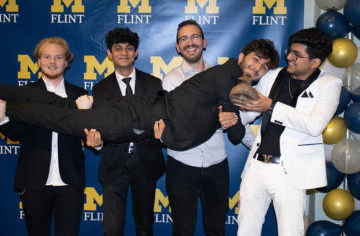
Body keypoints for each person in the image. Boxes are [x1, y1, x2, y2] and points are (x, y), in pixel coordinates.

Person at [0, 35, 279, 153]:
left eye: (264, 66)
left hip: (135, 111)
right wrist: (255, 108)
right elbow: (232, 133)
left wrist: (246, 110)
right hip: (135, 119)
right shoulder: (228, 77)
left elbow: (226, 123)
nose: (257, 67)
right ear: (242, 56)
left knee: (64, 108)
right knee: (60, 118)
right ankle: (8, 108)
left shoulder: (227, 76)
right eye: (255, 60)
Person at [156, 20, 278, 236]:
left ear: (204, 42)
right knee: (183, 230)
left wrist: (259, 147)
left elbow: (237, 122)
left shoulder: (226, 78)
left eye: (195, 37)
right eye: (184, 39)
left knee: (216, 229)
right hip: (182, 164)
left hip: (216, 165)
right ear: (177, 47)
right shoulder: (172, 79)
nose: (190, 42)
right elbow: (183, 122)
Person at [234, 28, 342, 236]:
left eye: (297, 55)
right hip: (256, 165)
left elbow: (315, 124)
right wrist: (235, 115)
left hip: (289, 172)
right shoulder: (273, 75)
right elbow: (250, 114)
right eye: (289, 51)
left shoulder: (330, 84)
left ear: (315, 62)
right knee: (246, 230)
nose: (289, 58)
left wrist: (271, 107)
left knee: (290, 232)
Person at [0, 37, 87, 236]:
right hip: (33, 181)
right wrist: (2, 119)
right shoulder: (25, 93)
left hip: (70, 182)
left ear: (67, 62)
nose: (52, 62)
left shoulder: (80, 95)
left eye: (58, 57)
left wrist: (96, 141)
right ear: (38, 61)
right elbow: (17, 133)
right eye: (47, 56)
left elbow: (88, 132)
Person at [86, 28, 165, 236]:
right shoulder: (100, 89)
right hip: (113, 162)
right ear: (110, 53)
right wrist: (99, 142)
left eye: (129, 48)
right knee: (112, 229)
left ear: (136, 52)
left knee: (145, 227)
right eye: (118, 48)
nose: (124, 53)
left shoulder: (154, 84)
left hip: (147, 161)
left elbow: (155, 122)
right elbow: (103, 128)